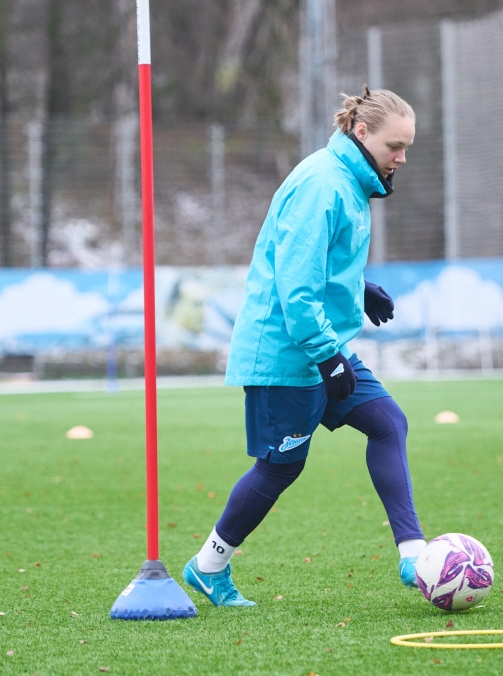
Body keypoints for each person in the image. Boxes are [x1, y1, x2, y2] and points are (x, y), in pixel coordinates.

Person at [182, 86, 427, 607]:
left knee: (388, 424)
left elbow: (319, 264)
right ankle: (208, 565)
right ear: (362, 133)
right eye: (395, 146)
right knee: (280, 467)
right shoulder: (323, 184)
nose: (402, 158)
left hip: (323, 346)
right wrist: (326, 356)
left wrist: (357, 288)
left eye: (407, 147)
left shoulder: (353, 182)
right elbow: (295, 289)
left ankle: (413, 554)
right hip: (288, 353)